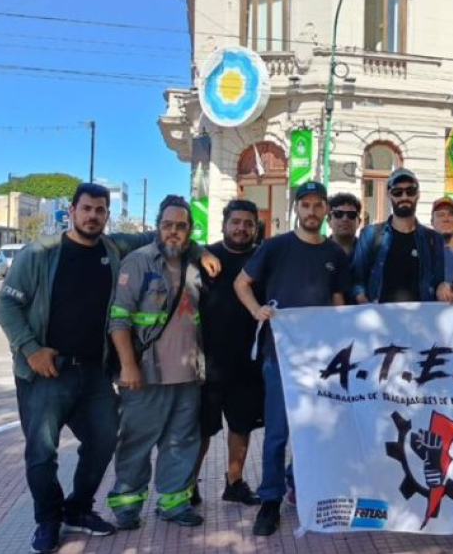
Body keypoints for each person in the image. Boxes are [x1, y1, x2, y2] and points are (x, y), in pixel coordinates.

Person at [0, 183, 161, 553]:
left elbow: (162, 232)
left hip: (95, 372)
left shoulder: (113, 248)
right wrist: (31, 349)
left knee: (103, 441)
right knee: (42, 452)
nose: (93, 216)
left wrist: (198, 249)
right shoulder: (40, 253)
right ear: (71, 210)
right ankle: (48, 520)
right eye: (86, 209)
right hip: (46, 372)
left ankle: (78, 508)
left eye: (100, 210)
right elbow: (5, 307)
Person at [234, 181, 350, 537]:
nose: (312, 212)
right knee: (278, 432)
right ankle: (269, 501)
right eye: (306, 205)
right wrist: (257, 310)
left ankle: (297, 485)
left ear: (325, 211)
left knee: (314, 430)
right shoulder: (275, 247)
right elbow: (241, 283)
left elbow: (337, 300)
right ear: (296, 208)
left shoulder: (335, 254)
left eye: (318, 205)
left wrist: (347, 335)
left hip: (320, 361)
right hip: (280, 356)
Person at [107, 195, 208, 530]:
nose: (174, 232)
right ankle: (126, 505)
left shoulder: (195, 262)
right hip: (146, 373)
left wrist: (204, 251)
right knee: (136, 441)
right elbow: (119, 320)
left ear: (190, 230)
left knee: (181, 442)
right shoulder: (138, 262)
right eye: (168, 225)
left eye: (181, 226)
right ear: (157, 227)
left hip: (188, 374)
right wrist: (128, 366)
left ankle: (174, 503)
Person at [193, 200, 264, 507]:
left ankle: (234, 483)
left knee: (242, 426)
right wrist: (198, 249)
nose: (241, 228)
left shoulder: (263, 257)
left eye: (248, 223)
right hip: (207, 362)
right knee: (200, 431)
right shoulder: (204, 255)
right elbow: (172, 241)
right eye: (236, 222)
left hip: (248, 363)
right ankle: (187, 486)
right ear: (223, 224)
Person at [351, 168, 444, 303]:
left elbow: (438, 284)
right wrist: (366, 305)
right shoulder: (370, 234)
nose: (404, 197)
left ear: (418, 194)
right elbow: (357, 281)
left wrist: (444, 287)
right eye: (397, 192)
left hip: (420, 320)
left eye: (410, 191)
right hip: (380, 318)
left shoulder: (434, 239)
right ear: (389, 195)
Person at [327, 192, 361, 257]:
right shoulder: (318, 251)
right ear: (328, 221)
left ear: (359, 222)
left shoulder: (368, 252)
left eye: (351, 214)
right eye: (338, 214)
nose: (345, 219)